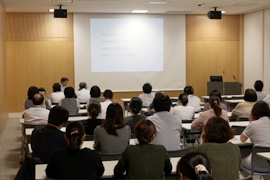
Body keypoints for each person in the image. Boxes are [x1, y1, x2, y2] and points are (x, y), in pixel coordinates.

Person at [240, 101, 270, 172]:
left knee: (240, 161)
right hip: (268, 163)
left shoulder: (253, 124)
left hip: (255, 163)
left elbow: (242, 139)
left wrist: (250, 121)